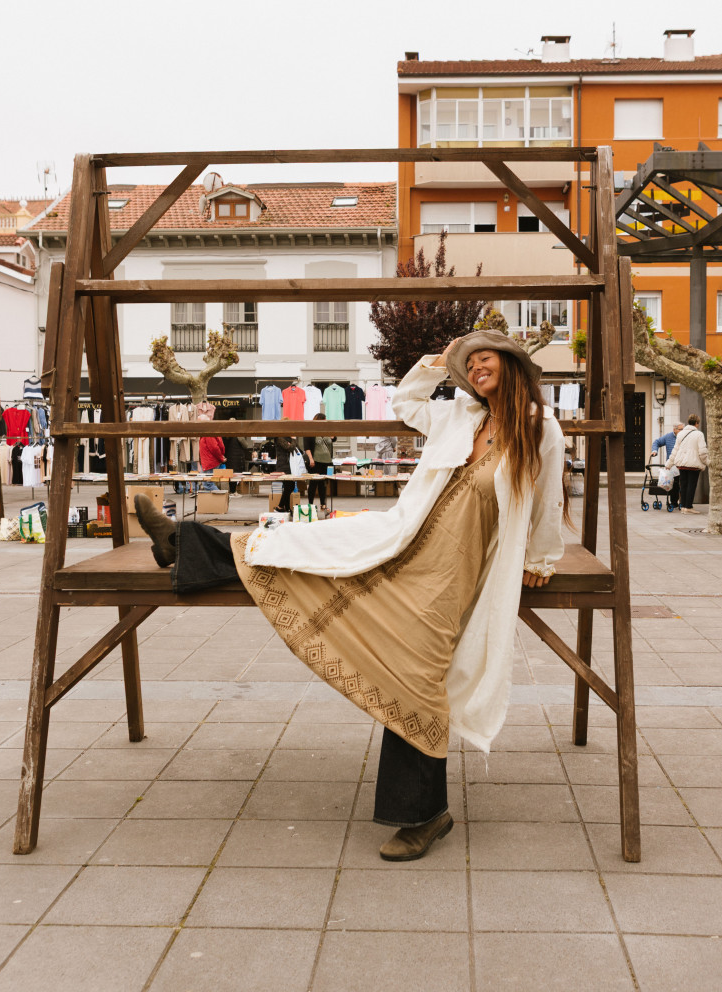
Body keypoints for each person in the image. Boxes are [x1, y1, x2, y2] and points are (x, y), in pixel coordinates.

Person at [134, 330, 565, 861]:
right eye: (469, 363)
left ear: (513, 365)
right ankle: (182, 541)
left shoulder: (539, 429)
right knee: (305, 545)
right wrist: (435, 363)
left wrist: (541, 560)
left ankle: (424, 814)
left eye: (486, 359)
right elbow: (407, 402)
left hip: (449, 574)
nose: (476, 368)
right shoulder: (459, 416)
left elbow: (548, 498)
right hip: (399, 539)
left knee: (418, 672)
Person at [666, 413, 709, 514]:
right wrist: (708, 462)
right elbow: (702, 452)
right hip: (693, 464)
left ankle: (684, 507)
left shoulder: (680, 434)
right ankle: (688, 506)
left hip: (681, 464)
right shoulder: (699, 434)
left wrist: (669, 464)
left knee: (684, 485)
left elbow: (675, 450)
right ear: (697, 423)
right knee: (691, 485)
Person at [304, 413, 334, 513]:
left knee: (323, 484)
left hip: (327, 461)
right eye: (324, 420)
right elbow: (307, 446)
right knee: (313, 483)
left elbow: (333, 439)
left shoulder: (327, 430)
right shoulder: (310, 430)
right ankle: (310, 505)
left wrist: (333, 437)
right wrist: (311, 459)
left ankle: (323, 504)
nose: (325, 422)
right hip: (315, 461)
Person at [651, 422, 683, 509]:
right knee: (674, 484)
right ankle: (673, 502)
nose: (682, 431)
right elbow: (657, 442)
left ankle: (682, 502)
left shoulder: (684, 437)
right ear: (674, 430)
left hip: (683, 464)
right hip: (672, 465)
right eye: (680, 429)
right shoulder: (668, 437)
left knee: (682, 484)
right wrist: (654, 450)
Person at [196, 417, 226, 492]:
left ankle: (222, 498)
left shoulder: (208, 432)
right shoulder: (208, 431)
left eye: (199, 423)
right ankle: (213, 502)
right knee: (208, 484)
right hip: (209, 462)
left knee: (208, 484)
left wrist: (221, 458)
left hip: (210, 462)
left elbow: (214, 448)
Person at [224, 418, 252, 498]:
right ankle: (233, 491)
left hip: (229, 457)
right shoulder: (238, 434)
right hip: (236, 458)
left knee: (230, 474)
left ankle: (232, 490)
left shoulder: (226, 433)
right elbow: (245, 445)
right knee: (235, 475)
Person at [275, 435, 303, 512]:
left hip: (291, 466)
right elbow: (289, 448)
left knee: (288, 486)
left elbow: (297, 449)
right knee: (289, 486)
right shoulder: (280, 438)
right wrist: (293, 440)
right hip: (284, 466)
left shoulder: (289, 439)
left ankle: (286, 508)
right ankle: (280, 506)